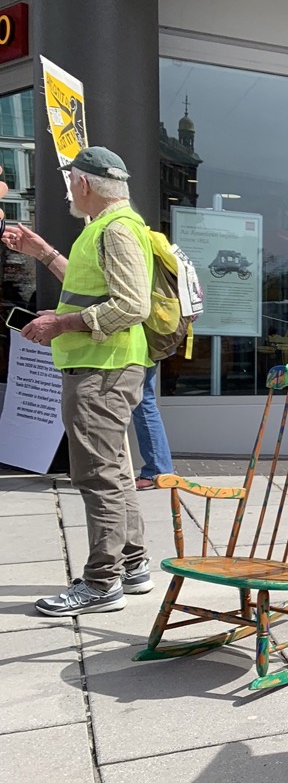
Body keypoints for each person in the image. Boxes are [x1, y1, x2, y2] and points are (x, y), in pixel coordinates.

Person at [0, 146, 155, 614]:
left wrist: (61, 325)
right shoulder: (109, 228)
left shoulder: (116, 230)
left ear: (83, 184)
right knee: (113, 471)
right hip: (104, 366)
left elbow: (132, 306)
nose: (69, 188)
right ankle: (133, 564)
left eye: (71, 181)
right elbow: (99, 292)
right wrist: (43, 252)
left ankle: (101, 582)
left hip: (101, 370)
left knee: (96, 475)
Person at [132, 363, 174, 489]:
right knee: (144, 402)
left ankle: (157, 471)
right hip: (144, 351)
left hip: (139, 352)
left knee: (143, 402)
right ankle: (159, 470)